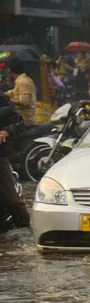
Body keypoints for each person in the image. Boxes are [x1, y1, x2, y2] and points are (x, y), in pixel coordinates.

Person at [0, 93, 29, 228]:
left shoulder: (2, 99)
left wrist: (7, 131)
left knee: (12, 200)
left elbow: (19, 123)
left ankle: (25, 228)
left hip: (0, 155)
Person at [5, 57, 36, 127]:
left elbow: (25, 102)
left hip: (24, 120)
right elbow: (14, 92)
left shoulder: (23, 82)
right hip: (20, 118)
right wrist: (4, 95)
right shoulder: (21, 80)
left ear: (10, 70)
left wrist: (9, 100)